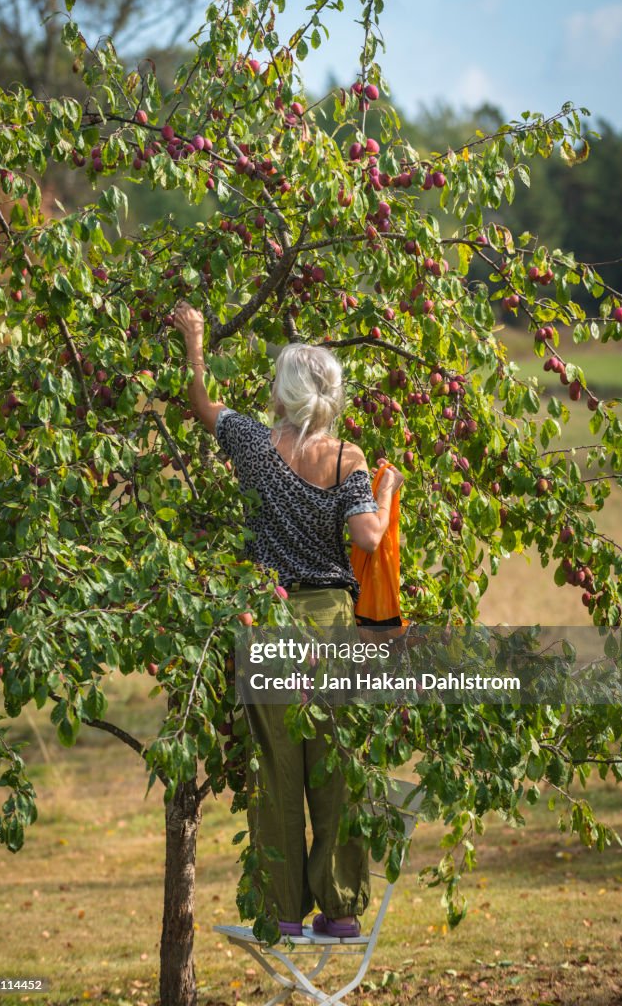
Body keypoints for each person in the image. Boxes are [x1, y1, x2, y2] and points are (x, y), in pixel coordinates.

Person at [172, 301, 405, 938]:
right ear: (331, 396)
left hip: (268, 616)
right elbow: (367, 536)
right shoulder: (345, 457)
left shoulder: (251, 442)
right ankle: (340, 908)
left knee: (274, 769)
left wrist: (195, 341)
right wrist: (385, 489)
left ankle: (280, 909)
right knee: (336, 762)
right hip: (331, 622)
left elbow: (201, 404)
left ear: (282, 393)